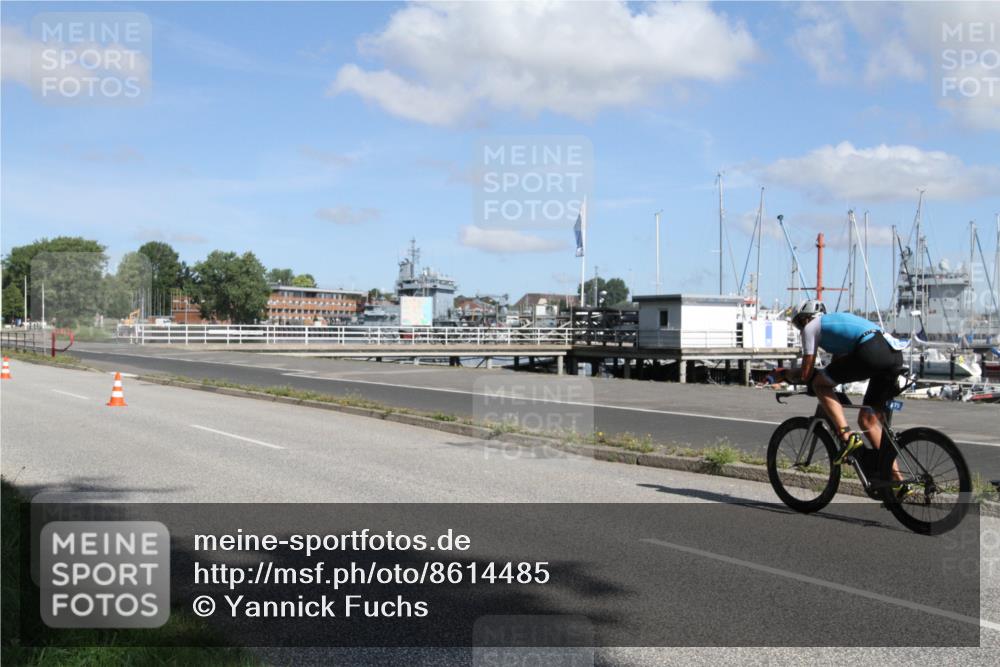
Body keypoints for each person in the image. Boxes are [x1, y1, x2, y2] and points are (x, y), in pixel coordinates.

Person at [767, 300, 904, 465]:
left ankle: (846, 435)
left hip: (871, 350)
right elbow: (836, 370)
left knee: (819, 385)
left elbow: (806, 373)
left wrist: (784, 374)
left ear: (804, 319)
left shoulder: (811, 327)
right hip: (893, 353)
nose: (800, 329)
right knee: (868, 421)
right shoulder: (835, 328)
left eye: (798, 324)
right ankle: (896, 483)